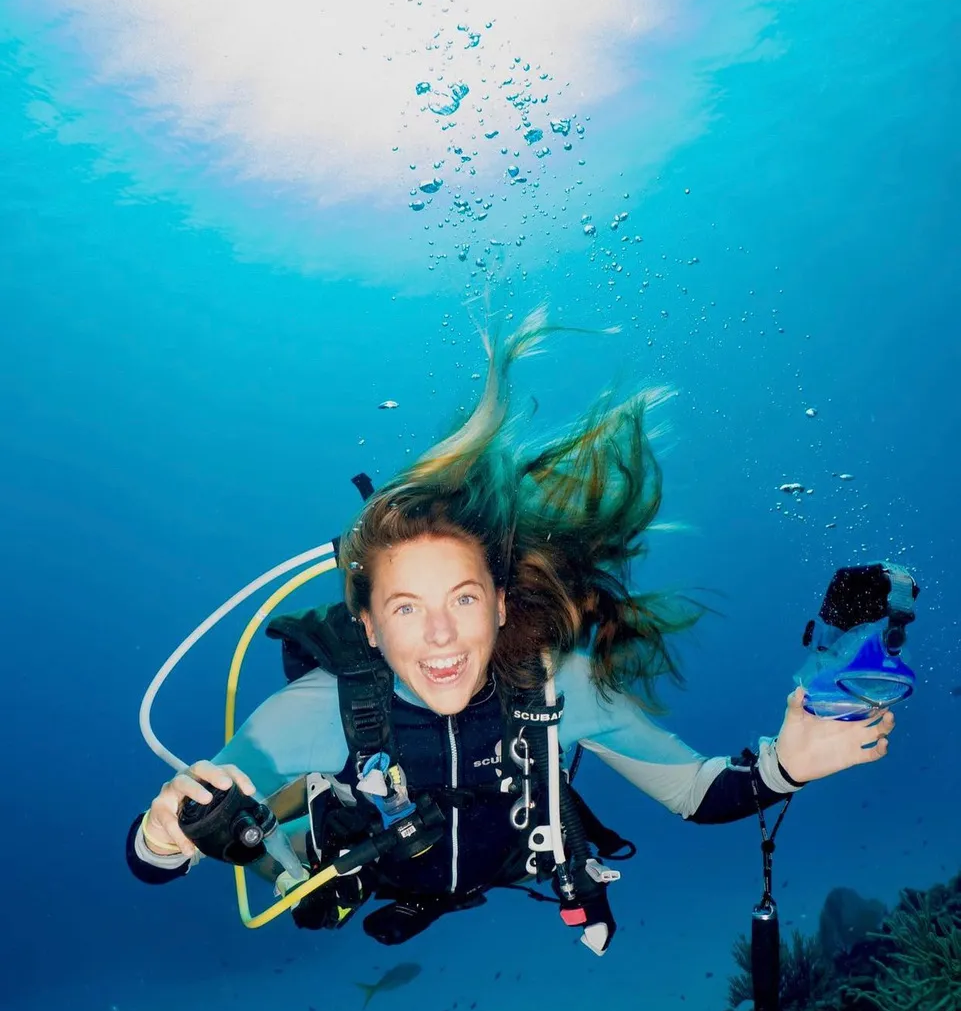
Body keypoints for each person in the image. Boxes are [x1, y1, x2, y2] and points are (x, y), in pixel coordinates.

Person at [126, 310, 896, 952]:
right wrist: (167, 832)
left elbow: (696, 792)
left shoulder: (556, 686)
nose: (439, 637)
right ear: (366, 623)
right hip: (377, 872)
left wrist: (784, 765)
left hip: (519, 861)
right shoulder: (326, 706)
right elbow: (165, 848)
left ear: (499, 603)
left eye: (461, 599)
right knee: (280, 827)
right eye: (404, 609)